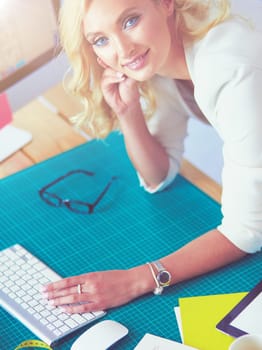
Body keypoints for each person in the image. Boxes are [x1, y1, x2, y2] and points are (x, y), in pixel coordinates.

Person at [42, 0, 262, 313]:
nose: (123, 50)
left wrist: (135, 280)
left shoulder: (230, 69)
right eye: (101, 40)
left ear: (165, 3)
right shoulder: (163, 57)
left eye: (130, 21)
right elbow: (158, 175)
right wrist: (128, 112)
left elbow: (246, 232)